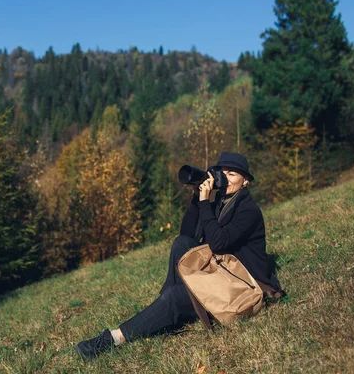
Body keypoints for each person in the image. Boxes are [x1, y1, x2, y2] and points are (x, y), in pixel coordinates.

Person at [75, 152, 283, 361]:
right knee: (181, 244)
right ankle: (164, 310)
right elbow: (187, 234)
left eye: (232, 174)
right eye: (222, 173)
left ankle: (112, 339)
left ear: (245, 181)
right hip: (221, 271)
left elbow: (219, 243)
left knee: (175, 297)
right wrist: (196, 198)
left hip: (239, 283)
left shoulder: (248, 210)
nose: (225, 179)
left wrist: (204, 204)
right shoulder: (221, 203)